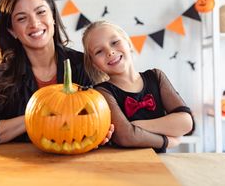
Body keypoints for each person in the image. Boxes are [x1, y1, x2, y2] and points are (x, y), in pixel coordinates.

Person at [0, 0, 113, 153]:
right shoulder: (0, 74)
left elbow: (103, 116)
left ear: (53, 17)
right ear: (12, 31)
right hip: (21, 169)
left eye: (41, 12)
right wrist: (35, 119)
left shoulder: (83, 65)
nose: (34, 23)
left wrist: (104, 132)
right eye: (21, 18)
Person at [82, 21, 194, 152]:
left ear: (128, 43)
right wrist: (167, 141)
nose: (110, 52)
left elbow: (186, 123)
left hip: (160, 163)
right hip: (123, 165)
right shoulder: (102, 92)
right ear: (94, 64)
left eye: (114, 42)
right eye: (99, 51)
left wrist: (137, 126)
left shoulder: (156, 77)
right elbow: (126, 136)